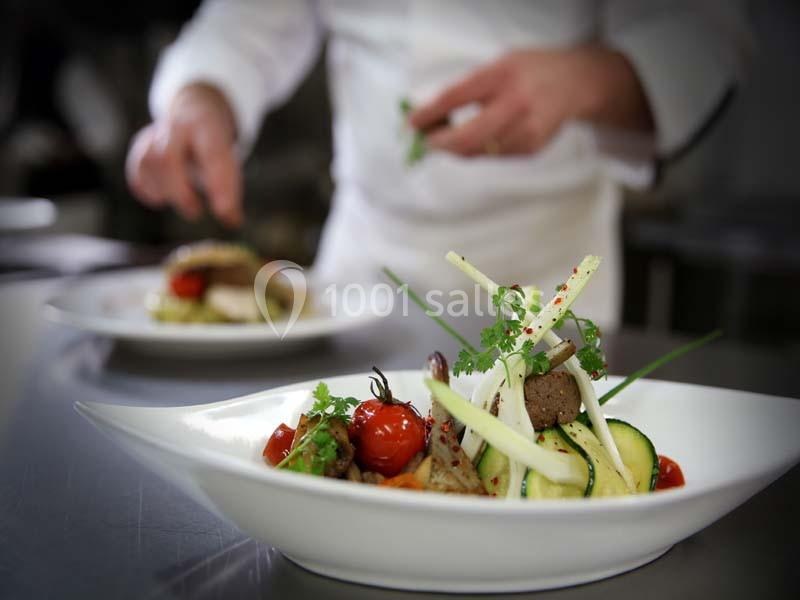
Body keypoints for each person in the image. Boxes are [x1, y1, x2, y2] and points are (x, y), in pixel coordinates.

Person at [126, 1, 750, 328]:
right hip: (364, 264)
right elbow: (247, 23)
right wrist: (197, 99)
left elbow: (703, 33)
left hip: (541, 271)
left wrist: (587, 78)